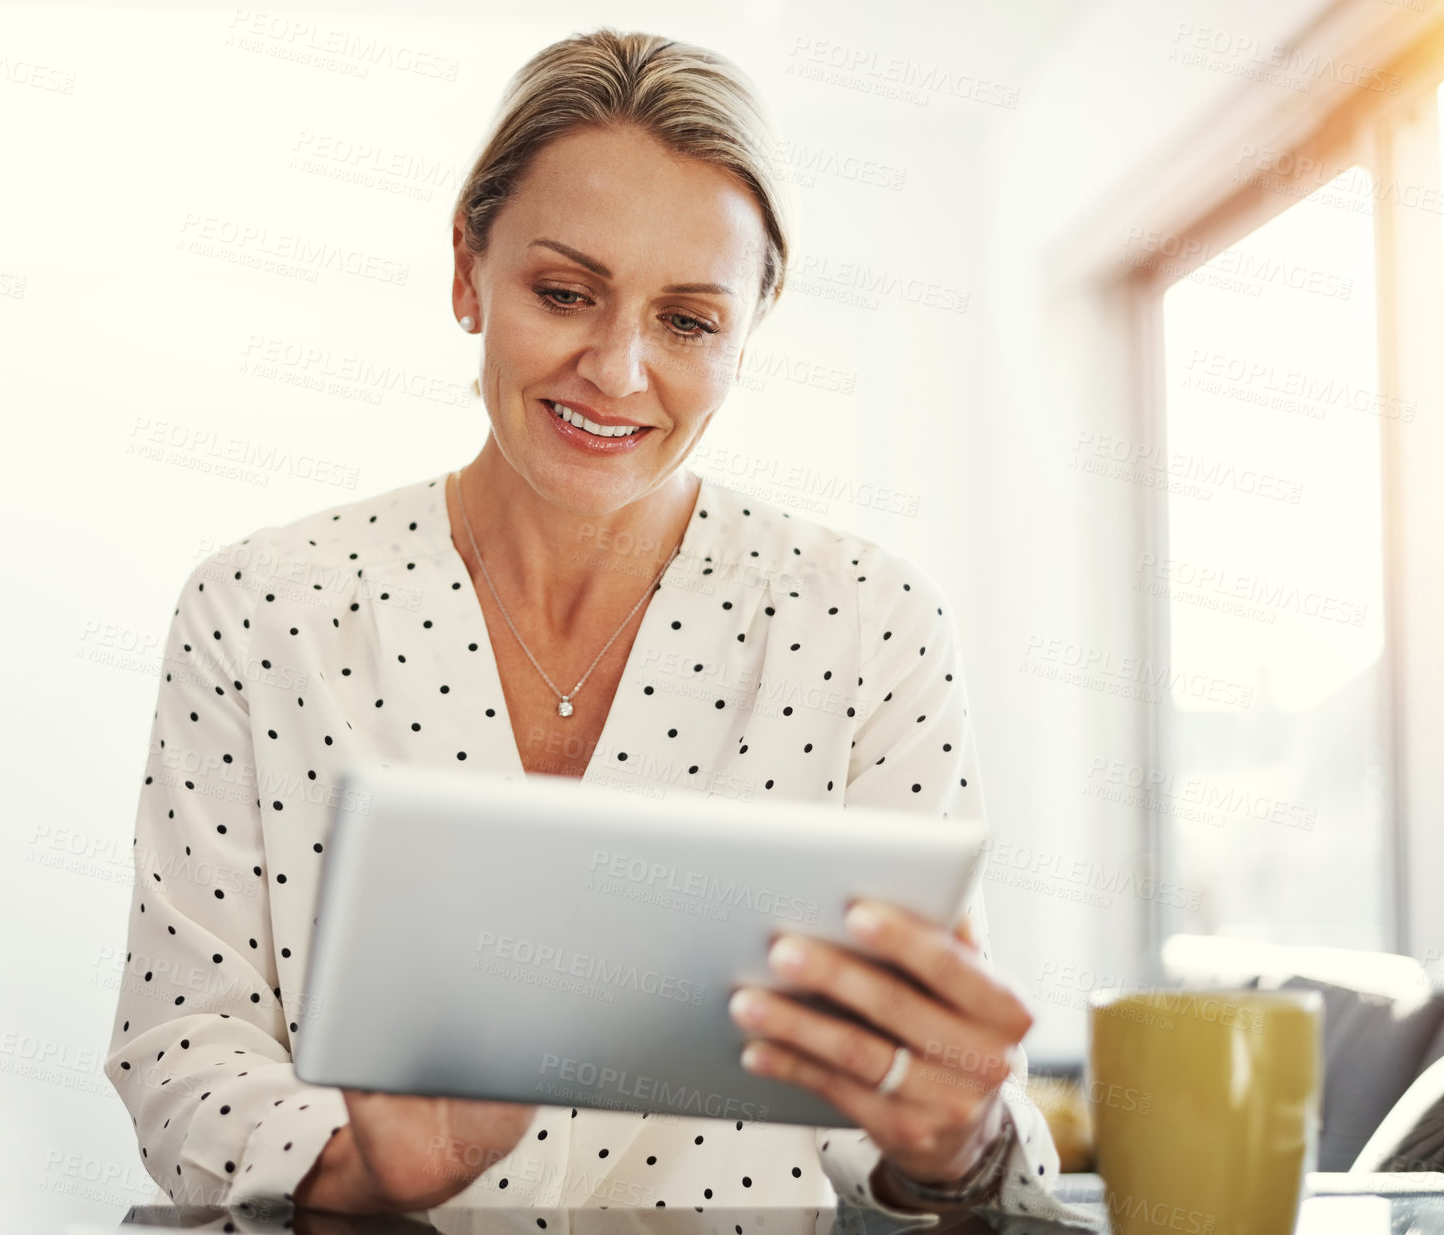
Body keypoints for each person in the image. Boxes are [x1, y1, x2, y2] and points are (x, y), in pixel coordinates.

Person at [102, 26, 1094, 1230]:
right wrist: (361, 1172)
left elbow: (928, 1102)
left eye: (687, 321)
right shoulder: (262, 607)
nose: (618, 369)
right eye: (565, 293)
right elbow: (182, 1039)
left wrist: (959, 1139)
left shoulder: (866, 623)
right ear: (469, 271)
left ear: (748, 331)